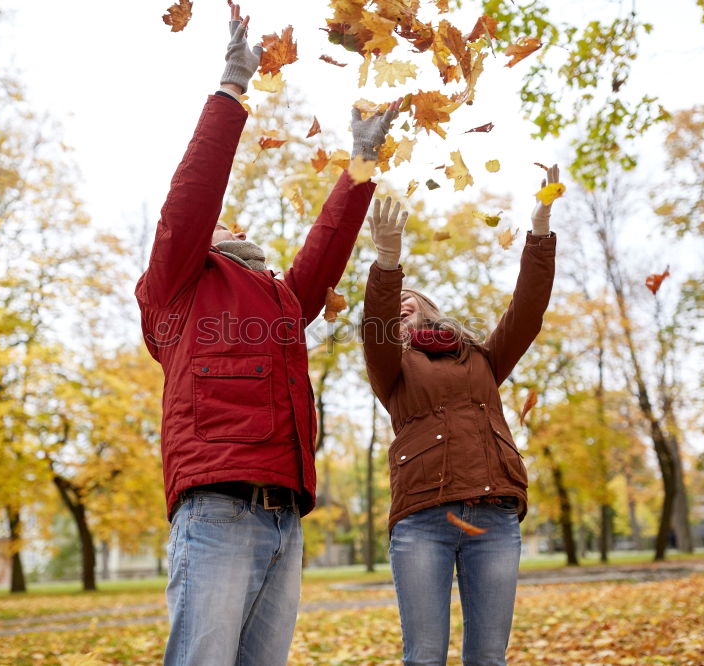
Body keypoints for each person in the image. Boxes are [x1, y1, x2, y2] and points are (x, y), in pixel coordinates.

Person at [134, 4, 397, 664]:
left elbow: (326, 247)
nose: (232, 222)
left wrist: (362, 160)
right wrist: (231, 88)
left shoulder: (279, 299)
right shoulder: (178, 287)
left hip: (285, 512)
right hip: (218, 508)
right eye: (222, 223)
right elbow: (192, 198)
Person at [360, 166, 560, 666]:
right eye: (396, 306)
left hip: (493, 518)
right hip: (423, 519)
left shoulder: (483, 358)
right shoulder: (393, 366)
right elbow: (376, 325)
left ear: (431, 310)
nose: (401, 307)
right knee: (425, 657)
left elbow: (528, 312)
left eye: (411, 301)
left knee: (488, 658)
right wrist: (388, 262)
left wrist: (539, 230)